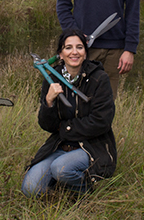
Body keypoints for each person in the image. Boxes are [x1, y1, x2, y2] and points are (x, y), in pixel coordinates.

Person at [22, 29, 117, 197]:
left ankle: (83, 193)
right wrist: (49, 102)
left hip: (91, 147)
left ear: (85, 53)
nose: (74, 52)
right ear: (60, 53)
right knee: (31, 188)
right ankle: (63, 186)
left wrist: (64, 129)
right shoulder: (51, 79)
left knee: (61, 169)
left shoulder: (99, 78)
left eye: (79, 47)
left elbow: (101, 121)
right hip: (60, 145)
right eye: (68, 47)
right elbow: (47, 125)